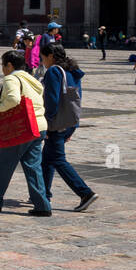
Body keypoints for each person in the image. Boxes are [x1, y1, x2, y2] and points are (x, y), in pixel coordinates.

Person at [0, 50, 51, 216]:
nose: (2, 69)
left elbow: (14, 99)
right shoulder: (31, 79)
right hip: (39, 126)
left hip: (21, 128)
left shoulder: (11, 78)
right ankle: (43, 206)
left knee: (4, 164)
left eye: (3, 65)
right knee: (33, 167)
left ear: (9, 65)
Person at [40, 44, 97, 212]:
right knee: (47, 160)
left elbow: (52, 100)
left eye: (43, 58)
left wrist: (47, 123)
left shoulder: (54, 71)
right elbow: (76, 99)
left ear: (50, 56)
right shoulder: (72, 70)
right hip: (69, 122)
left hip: (56, 123)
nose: (43, 62)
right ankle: (43, 194)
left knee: (58, 160)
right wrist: (73, 126)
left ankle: (85, 192)